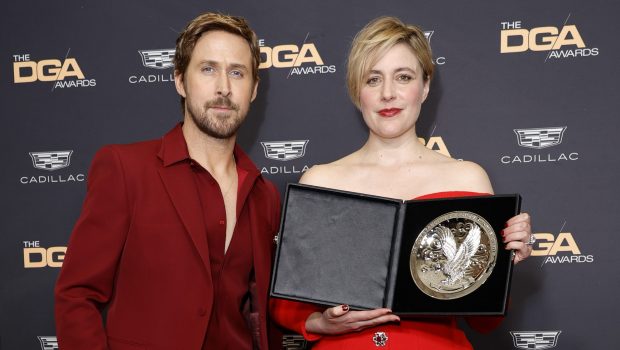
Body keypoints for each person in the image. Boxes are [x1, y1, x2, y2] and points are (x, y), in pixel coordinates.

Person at [271, 16, 533, 349]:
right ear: (356, 92)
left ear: (424, 87)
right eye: (373, 79)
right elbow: (289, 306)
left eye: (403, 77)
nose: (388, 94)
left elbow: (484, 320)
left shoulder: (467, 177)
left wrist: (505, 262)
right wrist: (320, 323)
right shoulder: (320, 180)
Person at [55, 13, 281, 350]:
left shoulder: (264, 195)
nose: (224, 87)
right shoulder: (125, 169)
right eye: (208, 69)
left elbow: (261, 315)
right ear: (179, 80)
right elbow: (76, 296)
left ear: (253, 90)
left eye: (237, 72)